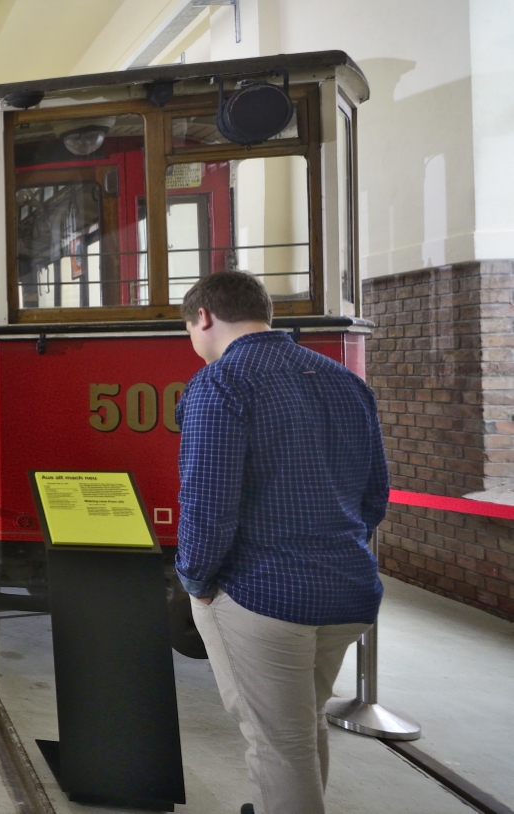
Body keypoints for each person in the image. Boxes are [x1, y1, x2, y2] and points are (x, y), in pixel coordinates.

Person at [175, 271, 388, 814]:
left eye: (188, 329)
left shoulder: (220, 382)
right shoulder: (344, 380)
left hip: (264, 596)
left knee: (278, 742)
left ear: (203, 317)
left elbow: (207, 504)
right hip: (350, 591)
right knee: (300, 723)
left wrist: (196, 583)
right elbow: (374, 498)